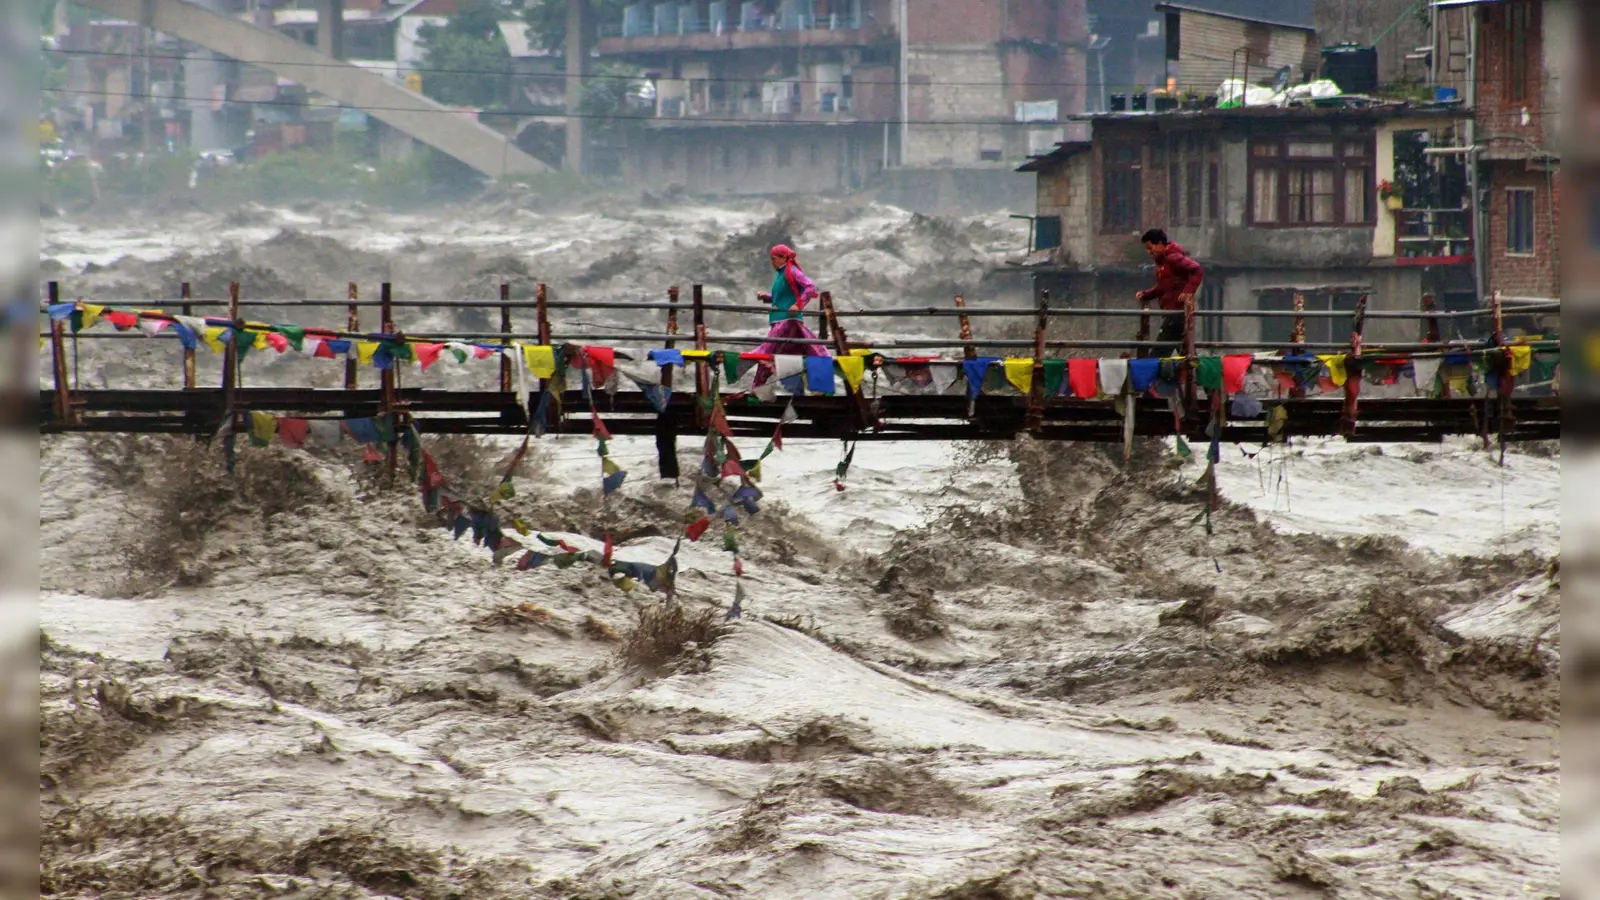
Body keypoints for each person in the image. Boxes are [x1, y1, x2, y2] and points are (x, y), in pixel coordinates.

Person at [753, 243, 829, 364]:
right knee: (793, 350)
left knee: (768, 348)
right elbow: (783, 297)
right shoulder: (781, 274)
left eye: (774, 259)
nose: (773, 262)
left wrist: (798, 305)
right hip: (778, 319)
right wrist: (767, 297)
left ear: (784, 258)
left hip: (786, 319)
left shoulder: (792, 271)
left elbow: (810, 287)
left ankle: (746, 359)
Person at [1134, 228, 1204, 357]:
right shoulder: (1163, 264)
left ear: (1160, 244)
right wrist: (1147, 294)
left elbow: (1197, 270)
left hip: (1177, 313)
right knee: (1186, 355)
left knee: (1158, 353)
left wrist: (1188, 291)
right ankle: (1197, 375)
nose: (1149, 252)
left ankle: (1151, 375)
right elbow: (1163, 287)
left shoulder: (1173, 258)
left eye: (1150, 248)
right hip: (1173, 312)